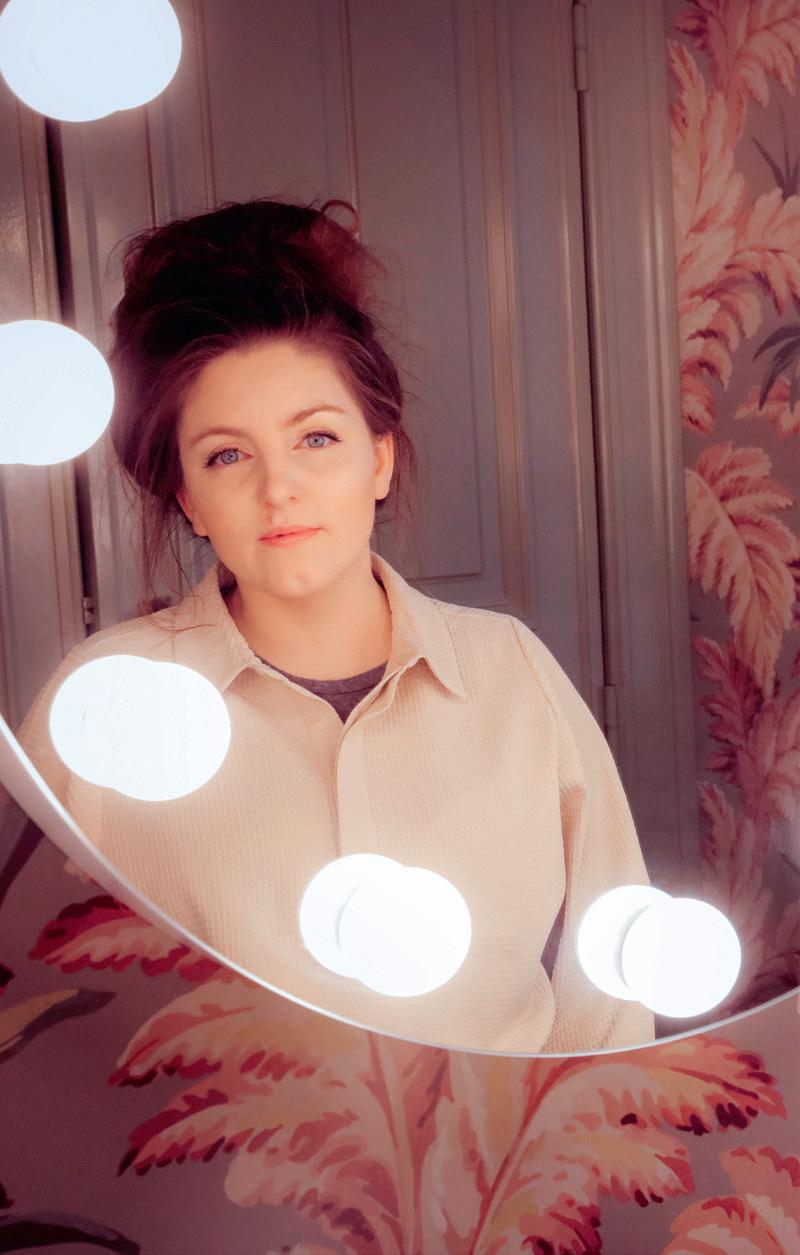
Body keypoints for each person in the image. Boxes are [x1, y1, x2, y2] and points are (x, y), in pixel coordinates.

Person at [14, 196, 655, 1053]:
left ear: (378, 458)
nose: (278, 487)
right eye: (227, 455)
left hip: (509, 1141)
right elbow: (26, 1002)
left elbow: (611, 997)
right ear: (189, 499)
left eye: (315, 438)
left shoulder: (512, 671)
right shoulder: (102, 706)